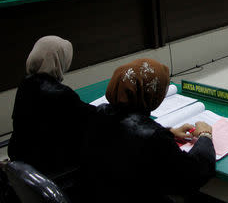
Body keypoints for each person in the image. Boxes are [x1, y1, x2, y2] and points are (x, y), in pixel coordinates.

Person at [80, 58, 216, 202]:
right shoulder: (154, 138)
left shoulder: (96, 113)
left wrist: (169, 132)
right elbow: (192, 175)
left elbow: (124, 135)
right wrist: (205, 135)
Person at [8, 36, 95, 178]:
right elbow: (89, 119)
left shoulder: (26, 84)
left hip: (26, 167)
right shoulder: (60, 94)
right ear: (58, 61)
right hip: (56, 172)